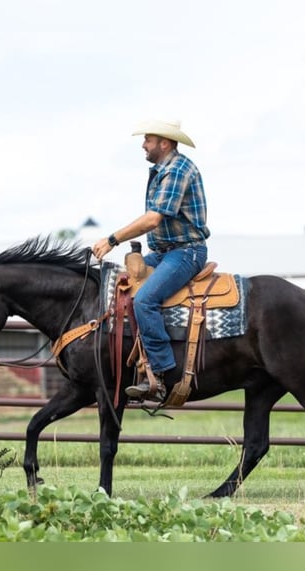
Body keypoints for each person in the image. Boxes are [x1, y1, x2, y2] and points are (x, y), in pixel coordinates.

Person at [92, 119, 209, 401]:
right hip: (165, 252)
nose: (143, 145)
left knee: (145, 300)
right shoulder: (161, 171)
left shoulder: (178, 169)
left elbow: (153, 218)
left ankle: (162, 374)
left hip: (186, 251)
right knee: (119, 287)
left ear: (164, 143)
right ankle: (133, 365)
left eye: (148, 140)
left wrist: (112, 239)